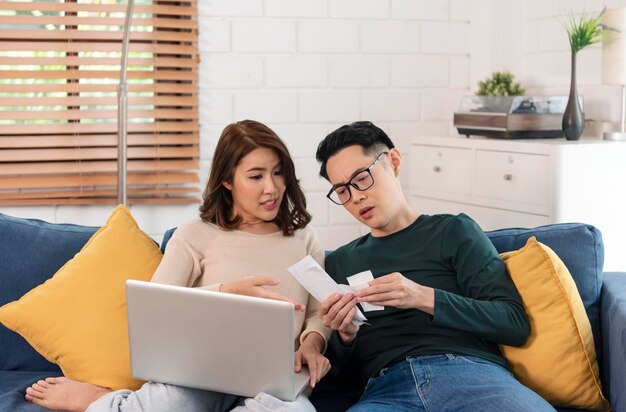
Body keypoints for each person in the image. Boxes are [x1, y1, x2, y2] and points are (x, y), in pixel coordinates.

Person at [24, 120, 331, 412]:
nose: (272, 188)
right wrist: (226, 291)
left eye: (278, 173)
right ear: (227, 180)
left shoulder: (303, 238)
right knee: (169, 405)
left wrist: (313, 345)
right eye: (256, 176)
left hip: (275, 379)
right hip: (201, 373)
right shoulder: (196, 233)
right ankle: (102, 400)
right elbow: (155, 307)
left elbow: (321, 310)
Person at [313, 121, 556, 411]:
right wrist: (346, 337)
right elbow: (341, 375)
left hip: (470, 375)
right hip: (386, 391)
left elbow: (513, 324)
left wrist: (422, 297)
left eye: (362, 178)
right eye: (342, 191)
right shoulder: (340, 261)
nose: (356, 197)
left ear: (393, 162)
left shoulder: (453, 231)